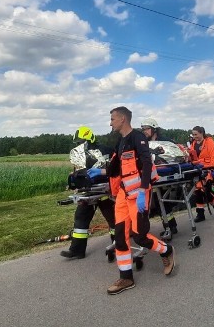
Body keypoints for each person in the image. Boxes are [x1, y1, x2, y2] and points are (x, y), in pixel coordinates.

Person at [91, 106, 174, 295]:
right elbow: (115, 169)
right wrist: (99, 172)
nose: (110, 122)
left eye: (112, 119)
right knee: (120, 236)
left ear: (122, 119)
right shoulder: (120, 142)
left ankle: (166, 250)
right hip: (123, 195)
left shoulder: (138, 138)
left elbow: (146, 163)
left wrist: (145, 192)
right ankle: (126, 277)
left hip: (139, 195)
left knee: (140, 237)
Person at [61, 126, 117, 260]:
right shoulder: (80, 154)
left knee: (113, 220)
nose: (78, 145)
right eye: (77, 143)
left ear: (88, 139)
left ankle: (118, 246)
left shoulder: (105, 150)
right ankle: (77, 250)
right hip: (88, 191)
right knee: (80, 217)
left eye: (80, 142)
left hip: (104, 191)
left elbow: (115, 167)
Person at [188, 126, 214, 222]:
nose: (194, 136)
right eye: (193, 135)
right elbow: (193, 158)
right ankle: (200, 213)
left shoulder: (209, 142)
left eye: (196, 134)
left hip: (208, 170)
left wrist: (206, 165)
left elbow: (213, 157)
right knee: (198, 192)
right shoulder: (193, 144)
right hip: (197, 170)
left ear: (201, 133)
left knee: (206, 191)